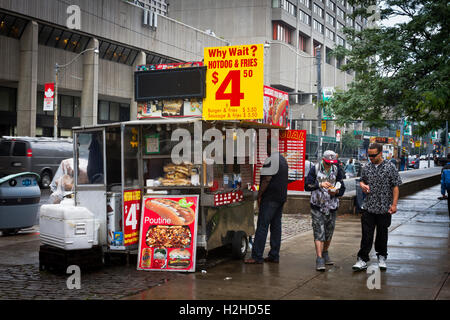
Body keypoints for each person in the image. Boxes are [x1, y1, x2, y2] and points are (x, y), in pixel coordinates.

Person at [353, 143, 402, 271]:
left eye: (373, 155)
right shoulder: (367, 167)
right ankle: (362, 259)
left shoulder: (390, 167)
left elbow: (395, 186)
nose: (371, 158)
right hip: (369, 206)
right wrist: (363, 185)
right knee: (366, 235)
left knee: (382, 234)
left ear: (380, 153)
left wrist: (394, 204)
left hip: (384, 207)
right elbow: (362, 180)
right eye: (369, 155)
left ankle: (382, 257)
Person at [245, 143, 289, 264]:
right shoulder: (282, 159)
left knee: (262, 226)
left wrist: (259, 195)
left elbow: (267, 179)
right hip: (280, 198)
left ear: (270, 148)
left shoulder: (271, 160)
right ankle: (274, 255)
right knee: (276, 226)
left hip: (270, 198)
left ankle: (256, 256)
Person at [305, 150, 346, 271]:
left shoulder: (337, 170)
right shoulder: (315, 169)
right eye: (328, 163)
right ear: (323, 160)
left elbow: (342, 187)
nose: (330, 165)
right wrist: (320, 185)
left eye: (332, 163)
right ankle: (319, 258)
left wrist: (337, 191)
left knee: (329, 232)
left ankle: (325, 252)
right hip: (317, 205)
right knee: (319, 232)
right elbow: (307, 186)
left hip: (332, 206)